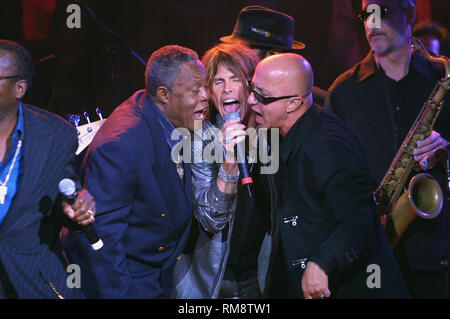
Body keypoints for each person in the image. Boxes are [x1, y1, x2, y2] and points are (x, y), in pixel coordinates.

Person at [248, 52, 409, 298]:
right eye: (252, 89)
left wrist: (321, 263)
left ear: (293, 103)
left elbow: (358, 220)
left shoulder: (327, 146)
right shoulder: (279, 133)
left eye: (262, 97)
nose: (250, 100)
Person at [326, 0, 450, 298]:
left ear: (410, 16)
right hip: (371, 247)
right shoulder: (343, 91)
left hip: (431, 247)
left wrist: (447, 147)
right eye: (367, 14)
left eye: (384, 13)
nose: (372, 23)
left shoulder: (441, 79)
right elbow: (331, 169)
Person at [79, 45, 209, 298]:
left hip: (159, 272)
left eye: (205, 87)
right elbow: (103, 241)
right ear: (163, 94)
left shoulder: (169, 117)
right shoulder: (121, 147)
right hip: (128, 279)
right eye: (196, 90)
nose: (205, 96)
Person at [172, 43, 272, 298]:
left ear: (250, 86)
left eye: (235, 79)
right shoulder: (200, 138)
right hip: (214, 279)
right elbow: (210, 219)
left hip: (260, 275)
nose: (227, 89)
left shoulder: (271, 133)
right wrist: (229, 159)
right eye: (218, 81)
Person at [0, 39, 96, 299]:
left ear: (19, 87)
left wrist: (74, 208)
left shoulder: (54, 135)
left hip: (31, 280)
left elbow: (61, 198)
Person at [220, 5, 328, 106]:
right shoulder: (220, 91)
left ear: (274, 55)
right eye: (235, 49)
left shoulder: (314, 101)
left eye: (245, 49)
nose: (235, 56)